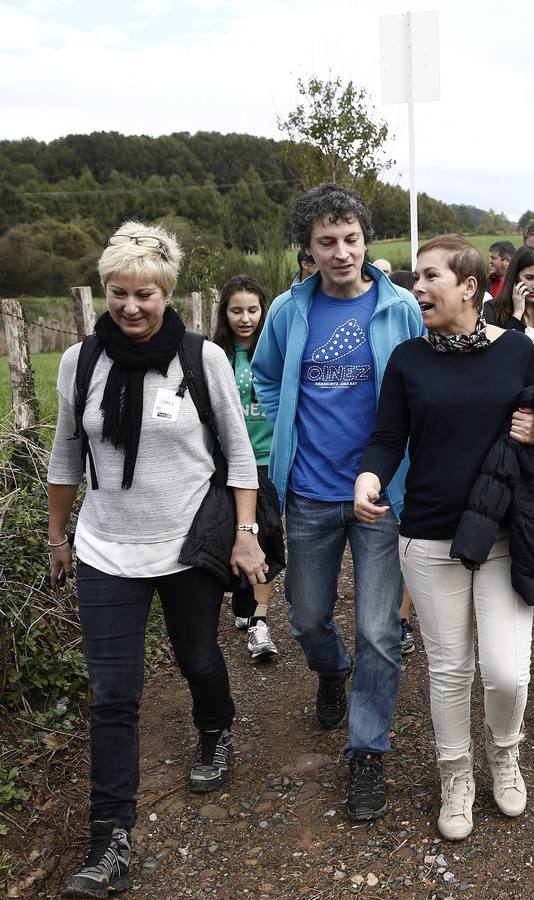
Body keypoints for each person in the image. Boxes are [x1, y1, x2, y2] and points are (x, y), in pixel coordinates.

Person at [48, 221, 265, 898]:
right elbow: (63, 455)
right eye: (118, 293)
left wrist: (247, 531)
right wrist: (57, 534)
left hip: (185, 543)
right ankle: (109, 839)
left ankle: (215, 727)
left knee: (198, 657)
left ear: (166, 293)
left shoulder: (203, 360)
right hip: (105, 547)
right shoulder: (79, 362)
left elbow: (238, 452)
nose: (131, 307)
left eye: (144, 294)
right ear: (104, 291)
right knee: (114, 695)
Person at [355, 236, 534, 840]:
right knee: (449, 669)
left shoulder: (516, 351)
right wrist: (369, 476)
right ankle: (456, 774)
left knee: (507, 673)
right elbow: (388, 437)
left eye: (431, 276)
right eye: (417, 278)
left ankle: (505, 754)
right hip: (430, 536)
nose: (419, 287)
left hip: (503, 532)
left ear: (469, 286)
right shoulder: (408, 359)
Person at [252, 183, 424, 821]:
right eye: (327, 241)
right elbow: (266, 374)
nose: (342, 251)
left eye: (351, 239)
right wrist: (284, 429)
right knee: (307, 618)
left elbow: (422, 380)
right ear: (309, 249)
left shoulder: (400, 306)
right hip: (309, 492)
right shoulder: (288, 312)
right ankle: (330, 669)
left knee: (381, 629)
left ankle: (367, 751)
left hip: (382, 493)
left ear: (364, 240)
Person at [211, 274, 280, 660]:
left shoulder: (274, 351)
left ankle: (260, 622)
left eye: (252, 309)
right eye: (236, 310)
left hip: (267, 461)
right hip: (226, 464)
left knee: (265, 535)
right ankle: (243, 603)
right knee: (235, 536)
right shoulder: (213, 354)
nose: (245, 318)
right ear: (225, 313)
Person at [482, 245, 534, 355]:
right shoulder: (492, 310)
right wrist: (517, 315)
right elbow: (500, 353)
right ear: (515, 276)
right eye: (529, 278)